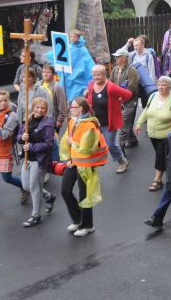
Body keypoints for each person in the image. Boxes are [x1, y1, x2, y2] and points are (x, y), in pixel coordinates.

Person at [60, 97, 108, 237]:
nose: (70, 109)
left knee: (84, 196)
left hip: (86, 164)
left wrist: (72, 142)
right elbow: (65, 142)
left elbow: (87, 149)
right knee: (65, 190)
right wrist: (68, 158)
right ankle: (78, 219)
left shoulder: (89, 126)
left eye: (73, 107)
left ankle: (88, 225)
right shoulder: (72, 121)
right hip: (74, 162)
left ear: (80, 108)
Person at [135, 76, 171, 191]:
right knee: (164, 156)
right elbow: (146, 110)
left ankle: (157, 180)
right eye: (159, 84)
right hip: (152, 134)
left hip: (167, 135)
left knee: (160, 156)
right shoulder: (153, 96)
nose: (160, 87)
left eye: (163, 85)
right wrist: (139, 123)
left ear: (169, 87)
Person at [86, 65, 133, 173]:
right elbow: (89, 98)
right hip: (94, 122)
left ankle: (122, 161)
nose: (96, 77)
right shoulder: (91, 85)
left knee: (110, 144)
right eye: (94, 75)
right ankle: (91, 164)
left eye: (98, 75)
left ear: (104, 75)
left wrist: (119, 101)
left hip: (108, 122)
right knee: (91, 143)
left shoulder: (111, 87)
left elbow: (128, 94)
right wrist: (86, 94)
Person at [17, 97, 56, 227]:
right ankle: (48, 196)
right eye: (37, 107)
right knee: (26, 186)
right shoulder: (27, 120)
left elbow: (49, 144)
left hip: (40, 161)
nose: (39, 110)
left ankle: (35, 216)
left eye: (42, 108)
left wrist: (31, 147)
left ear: (46, 110)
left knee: (34, 188)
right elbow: (18, 138)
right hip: (27, 158)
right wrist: (22, 138)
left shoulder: (48, 123)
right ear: (33, 107)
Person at [45, 29, 95, 101]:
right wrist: (50, 54)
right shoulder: (68, 47)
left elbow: (88, 63)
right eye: (71, 37)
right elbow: (59, 54)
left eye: (74, 37)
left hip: (78, 78)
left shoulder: (83, 50)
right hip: (67, 76)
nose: (72, 38)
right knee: (64, 95)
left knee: (76, 97)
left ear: (78, 38)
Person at [110, 48, 140, 150]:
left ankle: (120, 151)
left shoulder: (132, 71)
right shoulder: (114, 69)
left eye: (118, 57)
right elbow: (111, 84)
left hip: (130, 101)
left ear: (124, 58)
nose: (116, 58)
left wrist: (121, 99)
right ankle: (132, 140)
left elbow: (131, 88)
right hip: (118, 102)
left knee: (123, 126)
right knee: (128, 123)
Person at [39, 63, 68, 131]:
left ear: (53, 74)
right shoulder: (39, 84)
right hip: (40, 117)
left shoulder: (57, 87)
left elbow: (62, 105)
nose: (45, 74)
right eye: (44, 72)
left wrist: (59, 121)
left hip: (52, 119)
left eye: (48, 72)